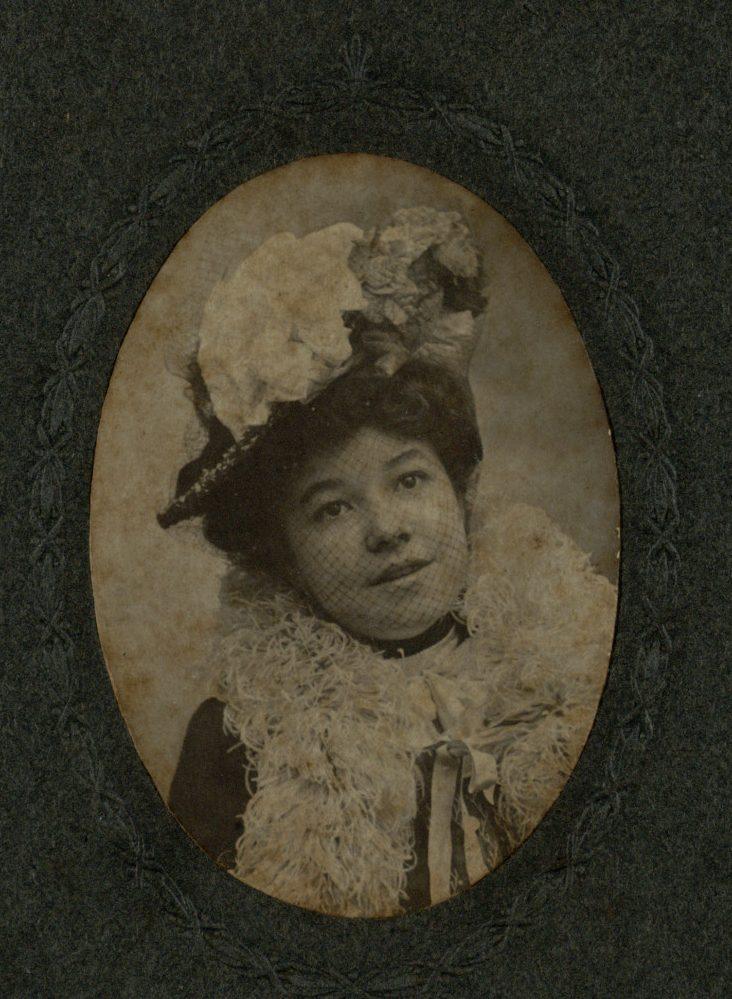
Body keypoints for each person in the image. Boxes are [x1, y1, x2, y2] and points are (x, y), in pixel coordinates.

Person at [158, 208, 616, 917]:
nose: (388, 531)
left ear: (459, 491)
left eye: (409, 480)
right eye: (332, 508)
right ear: (280, 556)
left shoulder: (581, 663)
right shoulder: (236, 743)